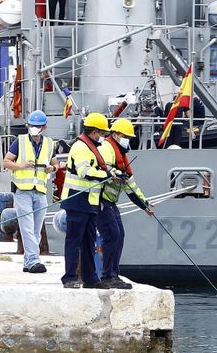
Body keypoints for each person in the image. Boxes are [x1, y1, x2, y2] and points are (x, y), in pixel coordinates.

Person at [97, 118, 154, 290]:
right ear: (115, 134)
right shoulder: (107, 147)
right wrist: (115, 173)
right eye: (125, 136)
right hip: (100, 201)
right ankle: (107, 276)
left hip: (110, 202)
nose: (127, 139)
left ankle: (113, 273)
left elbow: (132, 187)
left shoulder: (121, 155)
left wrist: (144, 205)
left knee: (119, 235)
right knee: (112, 234)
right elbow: (104, 166)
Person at [59, 112, 114, 289]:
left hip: (90, 202)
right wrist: (106, 175)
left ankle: (91, 278)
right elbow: (85, 172)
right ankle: (69, 277)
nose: (104, 137)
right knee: (74, 240)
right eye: (102, 133)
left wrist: (111, 173)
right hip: (77, 200)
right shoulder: (81, 147)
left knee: (89, 241)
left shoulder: (91, 147)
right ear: (95, 132)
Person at [3, 109, 57, 273]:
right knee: (26, 227)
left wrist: (51, 168)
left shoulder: (49, 144)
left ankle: (28, 262)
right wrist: (21, 165)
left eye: (38, 126)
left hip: (40, 190)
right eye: (32, 126)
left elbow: (56, 165)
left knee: (35, 229)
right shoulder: (19, 142)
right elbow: (6, 162)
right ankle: (34, 261)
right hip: (23, 191)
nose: (34, 129)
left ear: (44, 128)